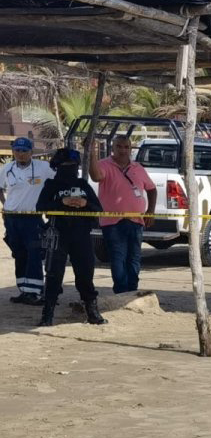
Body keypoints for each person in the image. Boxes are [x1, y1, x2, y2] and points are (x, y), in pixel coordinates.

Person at [34, 148, 106, 327]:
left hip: (81, 236)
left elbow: (99, 209)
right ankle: (47, 313)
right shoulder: (51, 185)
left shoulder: (83, 185)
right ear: (57, 166)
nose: (69, 168)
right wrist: (61, 202)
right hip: (58, 235)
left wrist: (85, 203)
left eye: (73, 165)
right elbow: (40, 207)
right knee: (54, 275)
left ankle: (92, 311)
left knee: (85, 275)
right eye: (65, 165)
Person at [89, 135, 157, 294]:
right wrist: (91, 153)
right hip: (112, 222)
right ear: (113, 148)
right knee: (118, 258)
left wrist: (151, 212)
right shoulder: (104, 165)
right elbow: (95, 176)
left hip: (136, 220)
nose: (123, 150)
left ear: (131, 149)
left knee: (134, 258)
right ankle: (121, 291)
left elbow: (152, 189)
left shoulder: (138, 167)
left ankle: (132, 290)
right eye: (119, 146)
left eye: (126, 147)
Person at [2, 137, 53, 304]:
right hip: (11, 218)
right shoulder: (6, 168)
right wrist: (5, 205)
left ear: (31, 152)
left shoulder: (43, 167)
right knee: (19, 254)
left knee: (34, 254)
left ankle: (35, 292)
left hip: (32, 218)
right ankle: (24, 290)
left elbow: (59, 181)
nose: (20, 154)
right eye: (17, 150)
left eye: (24, 151)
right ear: (13, 151)